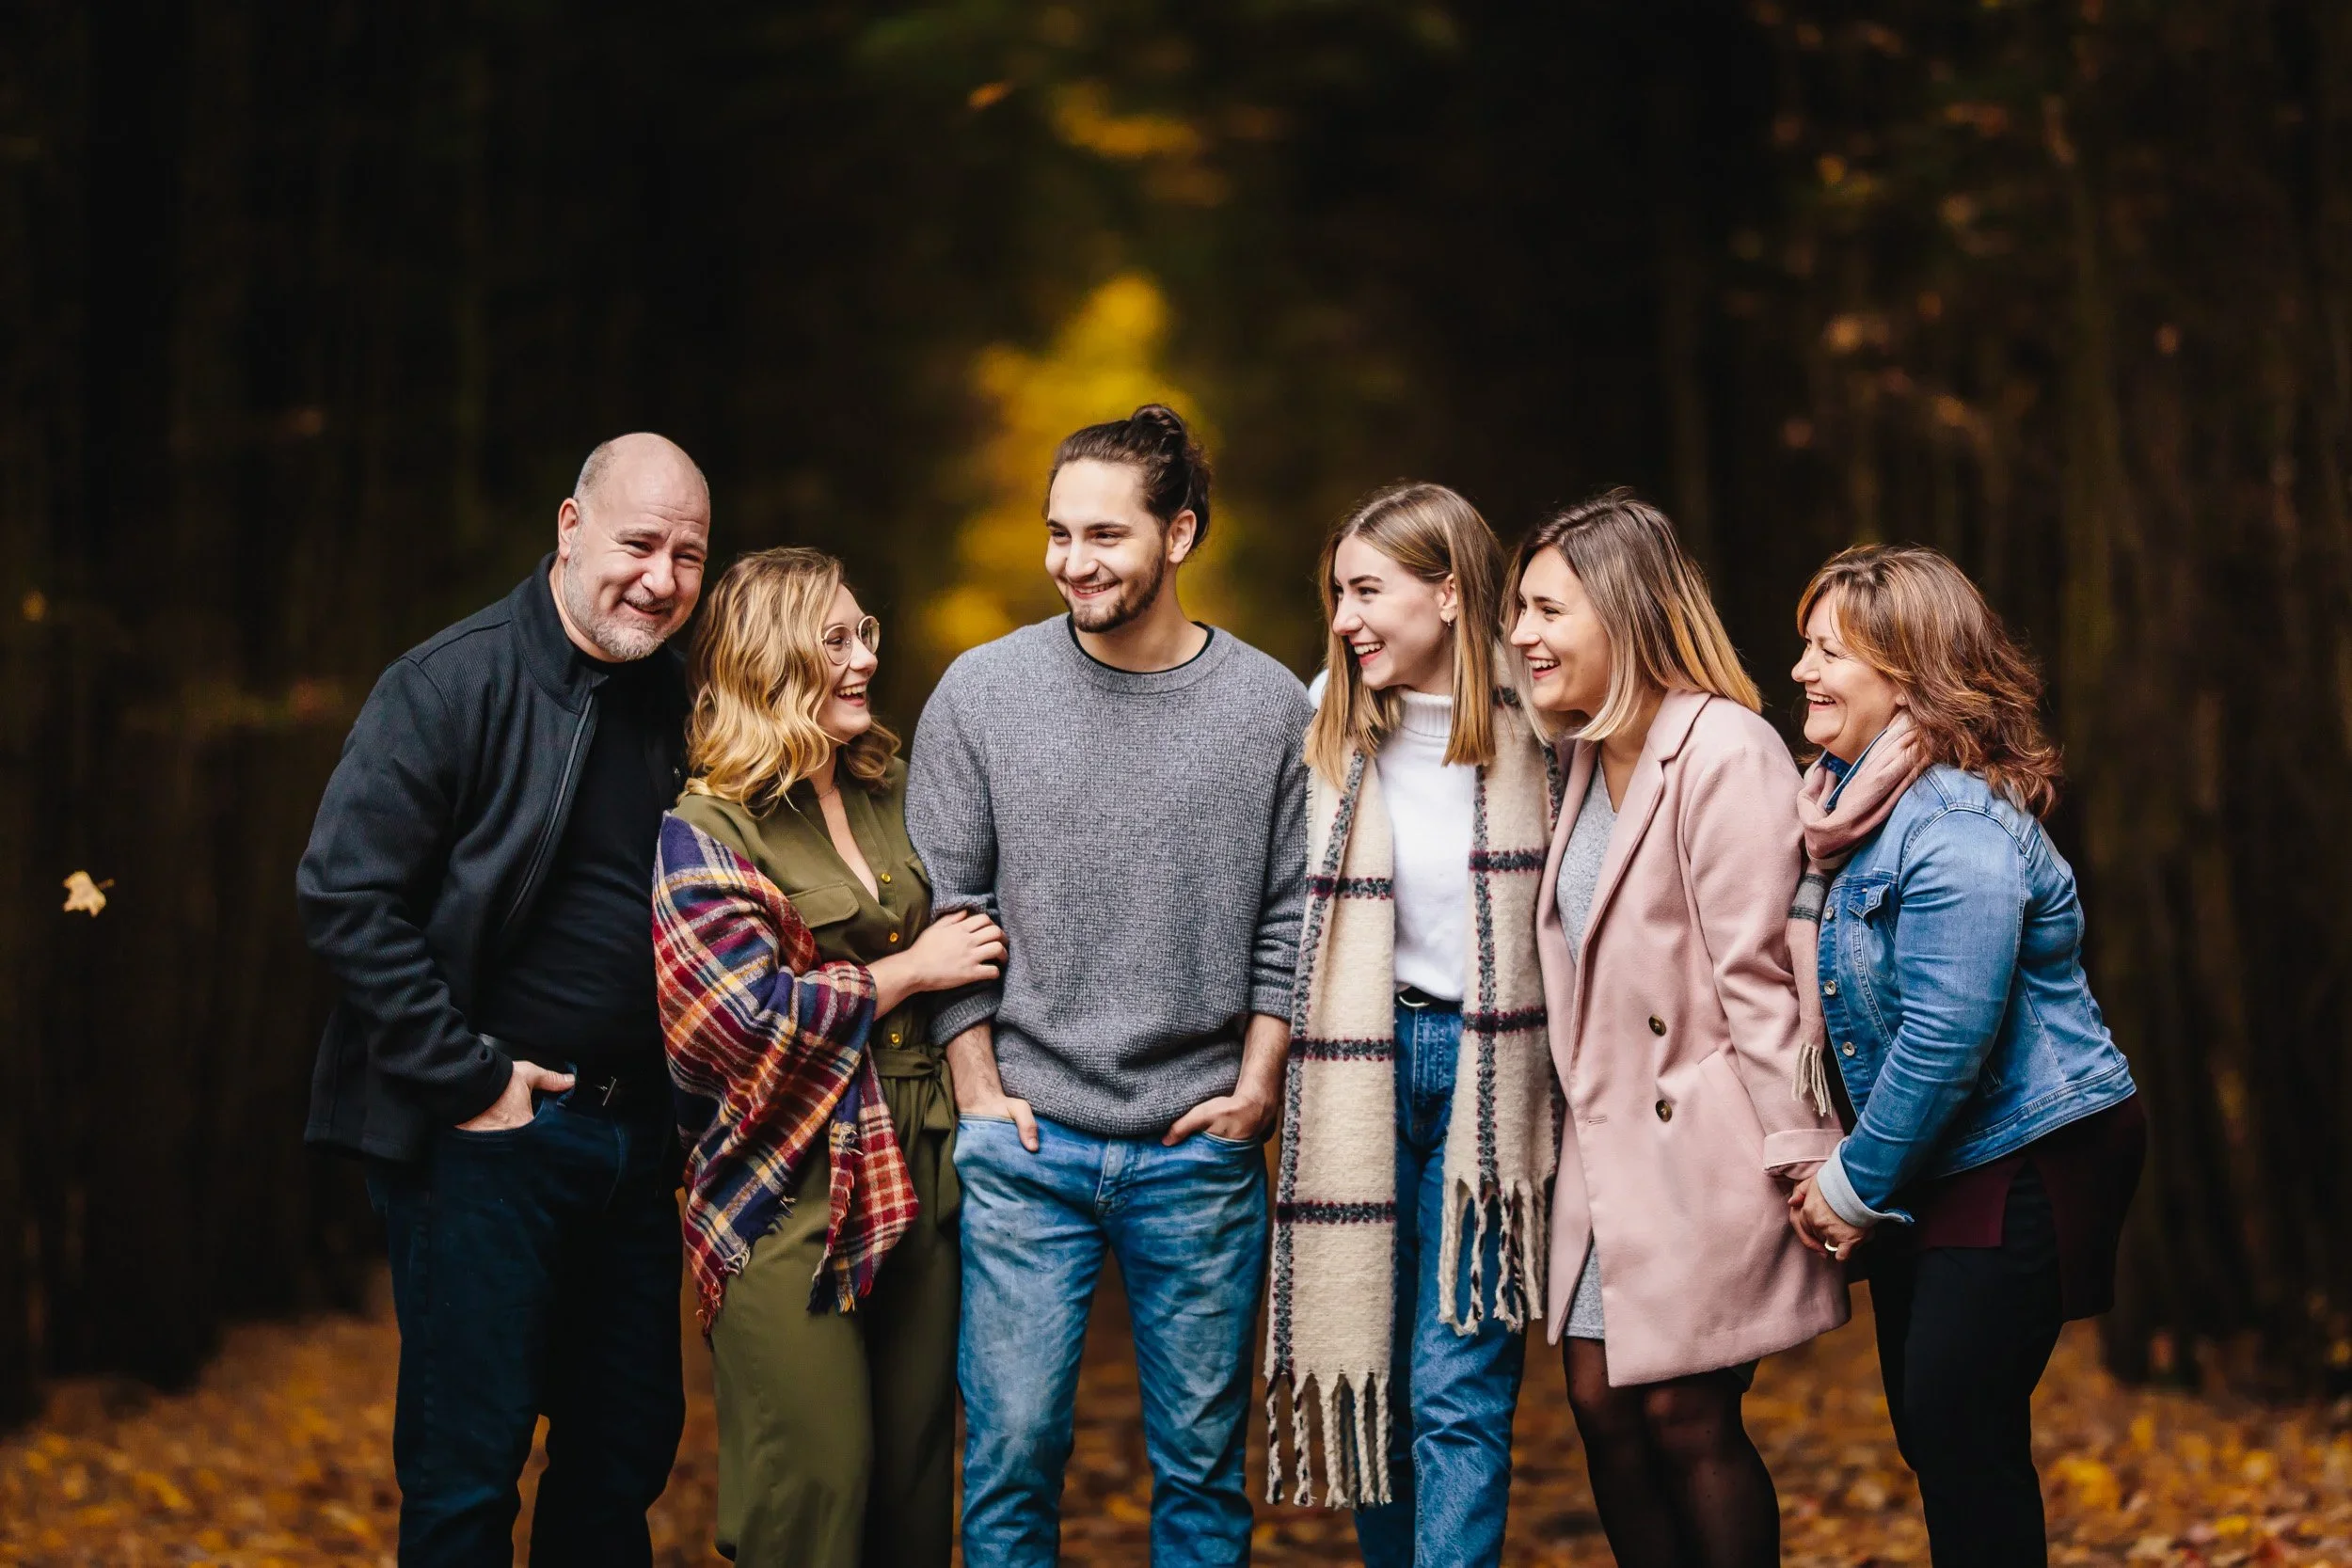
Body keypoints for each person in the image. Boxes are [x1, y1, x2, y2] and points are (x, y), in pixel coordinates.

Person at [905, 404, 1311, 1567]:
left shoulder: (1271, 708)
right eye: (1056, 534)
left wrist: (1256, 1088)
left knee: (1197, 1470)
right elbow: (950, 903)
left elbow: (1292, 910)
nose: (1073, 562)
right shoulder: (980, 694)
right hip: (1028, 1141)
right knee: (1014, 1454)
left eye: (1105, 535)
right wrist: (978, 1087)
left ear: (1179, 533)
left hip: (1198, 1141)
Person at [297, 434, 707, 1565]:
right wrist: (471, 1078)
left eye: (687, 554)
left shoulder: (680, 701)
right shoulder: (450, 681)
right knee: (467, 1478)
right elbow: (343, 894)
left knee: (618, 1465)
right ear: (570, 529)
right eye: (639, 542)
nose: (662, 578)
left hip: (637, 1145)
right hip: (487, 1138)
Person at [1784, 544, 2144, 1568]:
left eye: (1829, 650)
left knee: (1958, 1428)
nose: (1803, 670)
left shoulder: (1952, 826)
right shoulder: (1848, 814)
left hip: (2024, 1147)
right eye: (1803, 645)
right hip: (1942, 1149)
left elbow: (1947, 1037)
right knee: (1941, 1433)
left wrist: (1850, 1183)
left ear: (1909, 669)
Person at [1508, 488, 1847, 1568]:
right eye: (1519, 608)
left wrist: (1803, 1152)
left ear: (1625, 610)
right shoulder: (1575, 759)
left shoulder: (1725, 749)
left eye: (1548, 610)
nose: (1523, 633)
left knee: (1684, 1415)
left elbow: (1761, 981)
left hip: (1705, 1146)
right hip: (1608, 1152)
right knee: (1602, 1405)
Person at [652, 546, 1007, 1567]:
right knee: (816, 1478)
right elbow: (736, 1022)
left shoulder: (899, 788)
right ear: (772, 659)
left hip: (926, 1161)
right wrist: (905, 974)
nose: (864, 658)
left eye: (867, 634)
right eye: (837, 638)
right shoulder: (705, 827)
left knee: (908, 1483)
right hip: (785, 1176)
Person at [1267, 482, 1555, 1567]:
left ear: (1446, 593)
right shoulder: (1326, 723)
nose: (1343, 618)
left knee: (1458, 1389)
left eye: (1367, 591)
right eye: (1337, 593)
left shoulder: (1543, 728)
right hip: (1358, 1075)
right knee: (1373, 1379)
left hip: (1493, 1079)